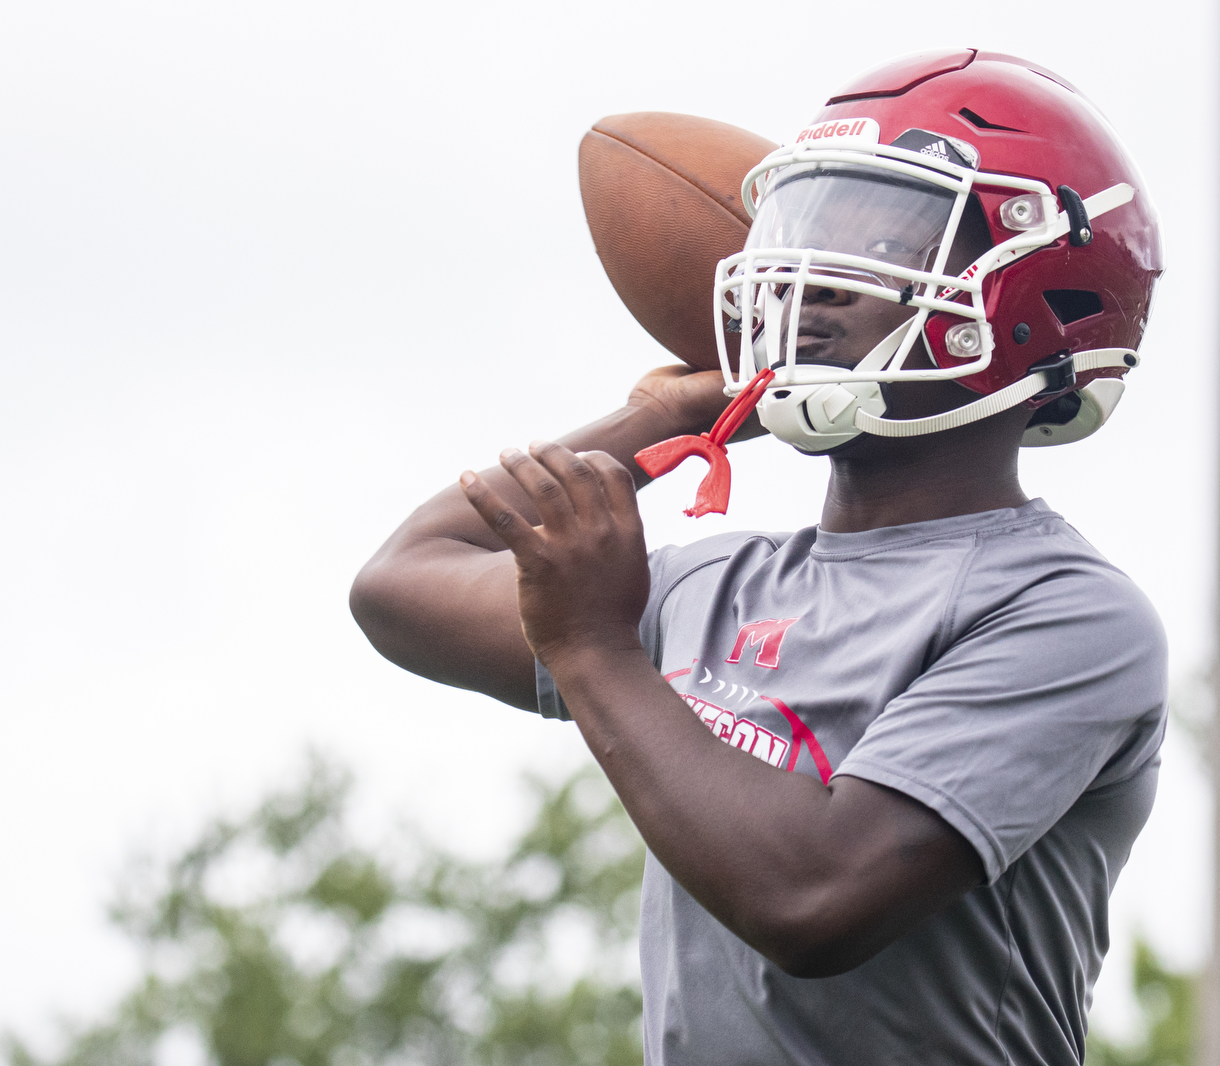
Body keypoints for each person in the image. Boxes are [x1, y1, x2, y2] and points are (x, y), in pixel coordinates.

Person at [349, 50, 1166, 1065]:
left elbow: (811, 898)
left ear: (1022, 293)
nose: (812, 274)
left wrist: (594, 651)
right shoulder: (712, 583)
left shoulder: (1064, 614)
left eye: (881, 239)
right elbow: (401, 583)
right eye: (808, 234)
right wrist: (655, 417)